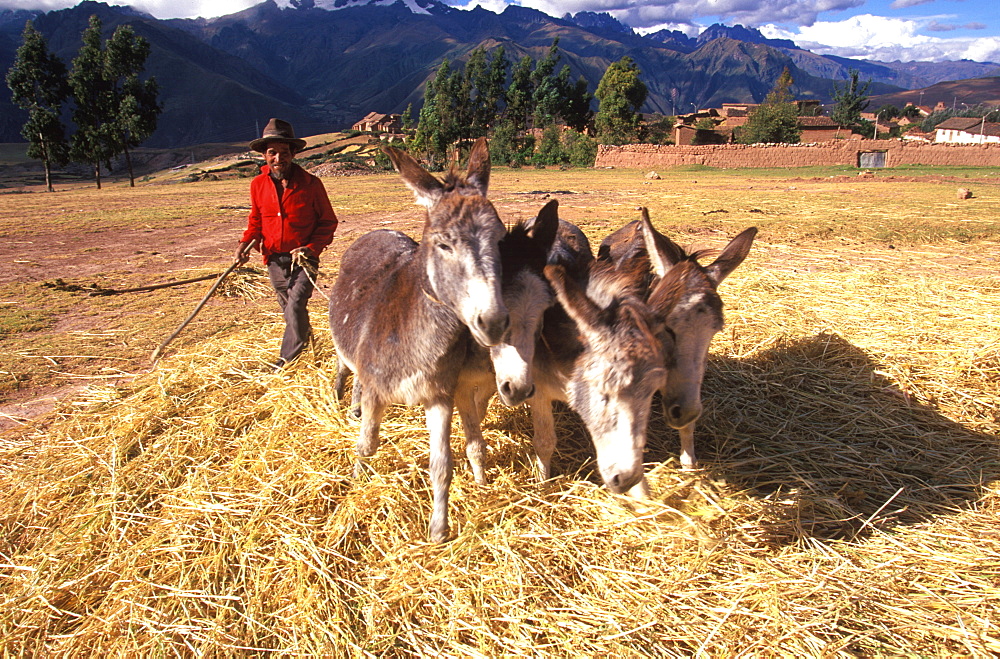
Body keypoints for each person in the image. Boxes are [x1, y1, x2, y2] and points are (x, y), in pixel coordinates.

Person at [236, 118, 338, 370]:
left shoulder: (311, 185)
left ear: (293, 153)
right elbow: (256, 220)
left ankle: (285, 362)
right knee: (290, 309)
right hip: (273, 257)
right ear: (264, 155)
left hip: (304, 259)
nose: (278, 158)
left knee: (294, 305)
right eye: (272, 153)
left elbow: (328, 222)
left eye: (284, 152)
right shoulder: (258, 185)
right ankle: (305, 342)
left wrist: (311, 248)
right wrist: (246, 242)